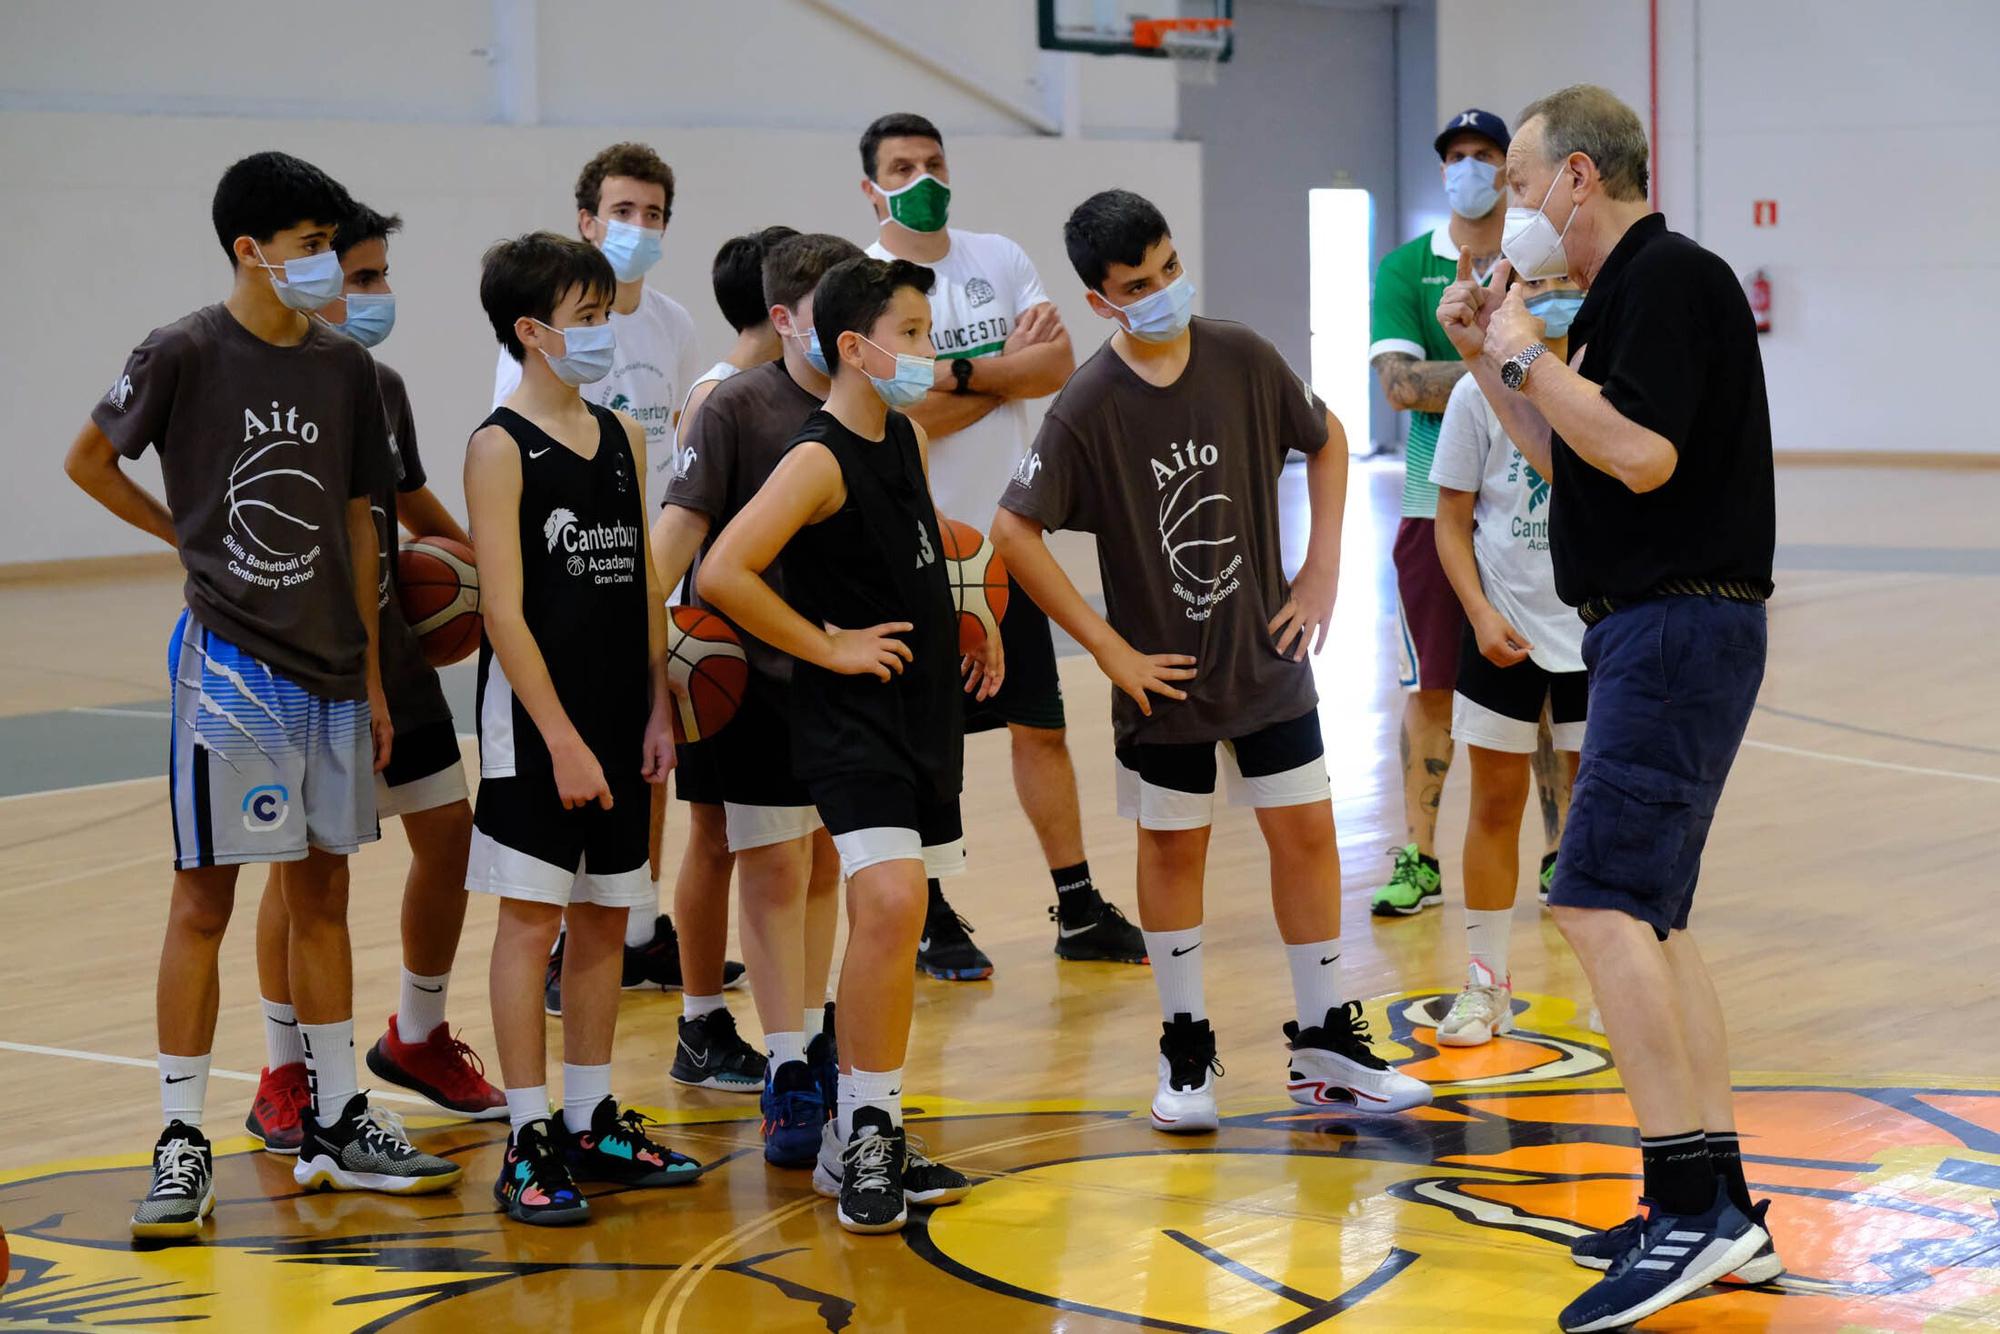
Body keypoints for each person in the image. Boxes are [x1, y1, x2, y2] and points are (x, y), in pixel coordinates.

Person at [65, 152, 461, 1240]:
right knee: (205, 897)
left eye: (331, 245)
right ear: (251, 250)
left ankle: (336, 1112)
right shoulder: (187, 348)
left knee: (322, 896)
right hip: (232, 663)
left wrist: (375, 675)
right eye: (309, 245)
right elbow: (88, 459)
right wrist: (182, 539)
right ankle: (181, 1135)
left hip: (334, 662)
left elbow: (357, 519)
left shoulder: (342, 370)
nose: (326, 264)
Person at [1436, 84, 1779, 1329]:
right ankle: (1715, 1199)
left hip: (1676, 623)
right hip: (1655, 621)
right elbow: (1570, 456)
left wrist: (1523, 346)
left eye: (1520, 185)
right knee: (1653, 917)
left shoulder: (1672, 277)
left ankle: (1691, 1208)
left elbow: (1641, 454)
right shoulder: (1618, 299)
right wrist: (1490, 353)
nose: (1508, 208)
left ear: (1577, 177)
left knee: (1590, 896)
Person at [991, 190, 1432, 1137]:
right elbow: (1012, 530)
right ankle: (1185, 1043)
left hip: (1267, 657)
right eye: (1135, 286)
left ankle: (1324, 1045)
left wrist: (1319, 570)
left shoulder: (1240, 355)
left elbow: (1328, 440)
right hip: (1165, 677)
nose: (1159, 292)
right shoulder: (1088, 404)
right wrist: (1107, 649)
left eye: (1165, 269)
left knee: (1308, 836)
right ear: (1101, 300)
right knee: (1172, 848)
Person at [699, 256, 991, 1233]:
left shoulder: (899, 438)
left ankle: (870, 1128)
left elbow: (908, 551)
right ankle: (861, 1128)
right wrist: (823, 643)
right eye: (912, 331)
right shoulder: (814, 455)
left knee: (896, 919)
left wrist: (963, 612)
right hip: (847, 719)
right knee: (889, 897)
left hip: (918, 714)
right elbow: (723, 567)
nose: (929, 348)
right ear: (857, 348)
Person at [243, 201, 504, 1154]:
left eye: (382, 275)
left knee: (450, 837)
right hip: (302, 660)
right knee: (306, 877)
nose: (378, 293)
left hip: (390, 643)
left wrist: (486, 567)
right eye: (360, 276)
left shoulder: (378, 384)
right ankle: (285, 1067)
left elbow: (406, 500)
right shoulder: (258, 382)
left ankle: (419, 1034)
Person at [860, 112, 1145, 977]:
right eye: (902, 166)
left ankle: (1079, 905)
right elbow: (895, 419)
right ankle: (932, 912)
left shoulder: (999, 257)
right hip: (910, 553)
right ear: (869, 187)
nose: (923, 177)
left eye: (934, 161)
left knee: (1042, 727)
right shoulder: (862, 284)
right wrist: (997, 369)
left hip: (1007, 541)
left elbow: (1056, 368)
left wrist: (950, 375)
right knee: (926, 745)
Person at [467, 232, 702, 1225]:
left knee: (607, 911)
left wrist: (657, 700)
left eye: (608, 312)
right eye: (588, 315)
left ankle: (587, 1111)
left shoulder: (622, 435)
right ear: (531, 331)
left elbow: (643, 585)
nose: (606, 330)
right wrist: (557, 734)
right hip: (536, 723)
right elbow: (503, 613)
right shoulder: (496, 445)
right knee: (532, 922)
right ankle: (526, 1135)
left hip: (616, 712)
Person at [492, 142, 739, 1010]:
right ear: (588, 221)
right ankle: (570, 941)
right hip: (571, 579)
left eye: (654, 214)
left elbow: (684, 446)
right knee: (575, 774)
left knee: (649, 762)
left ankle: (636, 929)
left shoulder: (672, 323)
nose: (639, 228)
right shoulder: (554, 339)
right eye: (623, 212)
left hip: (658, 562)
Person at [652, 232, 864, 1126]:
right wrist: (644, 669)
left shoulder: (873, 411)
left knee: (821, 864)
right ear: (784, 320)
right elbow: (672, 552)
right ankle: (779, 1064)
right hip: (752, 677)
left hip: (844, 678)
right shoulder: (735, 407)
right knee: (762, 865)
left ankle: (809, 1033)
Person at [1368, 109, 1568, 918]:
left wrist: (1477, 354)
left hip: (1540, 506)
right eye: (1457, 155)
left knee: (1549, 679)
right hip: (1434, 502)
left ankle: (1561, 855)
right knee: (1434, 684)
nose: (1472, 168)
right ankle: (1418, 857)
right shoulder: (1406, 268)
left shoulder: (1538, 265)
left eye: (1488, 155)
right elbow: (1399, 388)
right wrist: (1509, 360)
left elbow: (1562, 363)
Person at [1426, 272, 1587, 1047]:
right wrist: (1481, 613)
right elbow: (1451, 524)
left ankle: (1611, 981)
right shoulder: (1474, 395)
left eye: (1565, 279)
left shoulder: (1601, 383)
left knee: (1597, 814)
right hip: (1505, 628)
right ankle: (1485, 984)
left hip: (1597, 631)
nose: (1551, 293)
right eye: (1537, 282)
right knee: (1494, 804)